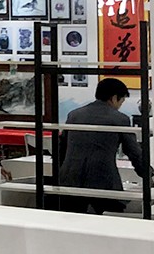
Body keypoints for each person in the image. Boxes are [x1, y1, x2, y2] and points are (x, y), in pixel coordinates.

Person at [57, 77, 148, 214]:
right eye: (121, 102)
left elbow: (62, 147)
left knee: (72, 221)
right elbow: (133, 152)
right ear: (114, 98)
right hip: (102, 182)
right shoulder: (120, 119)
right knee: (110, 220)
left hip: (69, 181)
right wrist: (148, 174)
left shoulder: (74, 115)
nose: (120, 106)